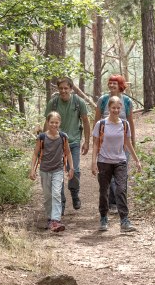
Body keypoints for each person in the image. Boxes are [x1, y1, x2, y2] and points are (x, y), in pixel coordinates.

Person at [92, 96, 142, 232]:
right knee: (104, 191)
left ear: (121, 109)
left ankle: (124, 221)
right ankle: (103, 217)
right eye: (113, 108)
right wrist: (93, 162)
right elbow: (96, 143)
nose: (115, 110)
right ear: (109, 109)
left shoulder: (124, 124)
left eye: (118, 108)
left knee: (121, 190)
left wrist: (137, 160)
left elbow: (128, 143)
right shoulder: (101, 124)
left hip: (120, 161)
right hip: (103, 162)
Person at [44, 77, 90, 214]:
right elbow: (47, 123)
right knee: (57, 174)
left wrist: (87, 142)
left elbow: (86, 122)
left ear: (71, 89)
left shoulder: (78, 102)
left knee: (74, 170)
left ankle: (75, 194)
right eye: (61, 88)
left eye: (66, 88)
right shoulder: (53, 103)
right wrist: (42, 143)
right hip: (55, 143)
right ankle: (62, 203)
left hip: (74, 143)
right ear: (58, 89)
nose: (63, 91)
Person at [93, 75, 136, 214]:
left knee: (121, 172)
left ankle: (121, 203)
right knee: (109, 173)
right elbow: (97, 119)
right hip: (106, 140)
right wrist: (95, 140)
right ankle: (112, 203)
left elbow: (130, 120)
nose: (112, 85)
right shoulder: (103, 100)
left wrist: (132, 141)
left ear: (120, 85)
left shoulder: (127, 101)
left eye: (115, 83)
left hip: (122, 139)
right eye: (110, 83)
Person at [30, 112, 74, 232]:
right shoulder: (42, 137)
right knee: (47, 196)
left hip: (58, 170)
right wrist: (32, 169)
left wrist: (71, 167)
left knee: (56, 194)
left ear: (60, 123)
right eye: (51, 122)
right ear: (47, 123)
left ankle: (56, 220)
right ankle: (50, 218)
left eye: (56, 122)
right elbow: (35, 154)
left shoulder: (63, 137)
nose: (54, 124)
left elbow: (68, 153)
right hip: (44, 170)